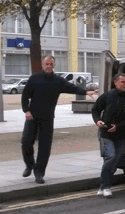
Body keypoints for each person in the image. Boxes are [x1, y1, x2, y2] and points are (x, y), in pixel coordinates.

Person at [21, 55, 98, 184]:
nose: (49, 66)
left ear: (53, 65)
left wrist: (85, 92)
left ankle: (39, 173)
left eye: (51, 64)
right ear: (42, 64)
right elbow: (25, 96)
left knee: (45, 147)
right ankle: (30, 165)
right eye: (47, 64)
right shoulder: (34, 79)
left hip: (47, 118)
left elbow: (72, 87)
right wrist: (26, 110)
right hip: (32, 117)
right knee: (26, 142)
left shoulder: (58, 81)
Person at [91, 73, 125, 198]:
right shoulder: (107, 96)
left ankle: (102, 185)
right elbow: (95, 109)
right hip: (106, 133)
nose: (124, 84)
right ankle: (106, 187)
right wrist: (97, 121)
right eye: (122, 82)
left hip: (120, 134)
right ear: (115, 82)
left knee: (115, 161)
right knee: (110, 157)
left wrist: (119, 126)